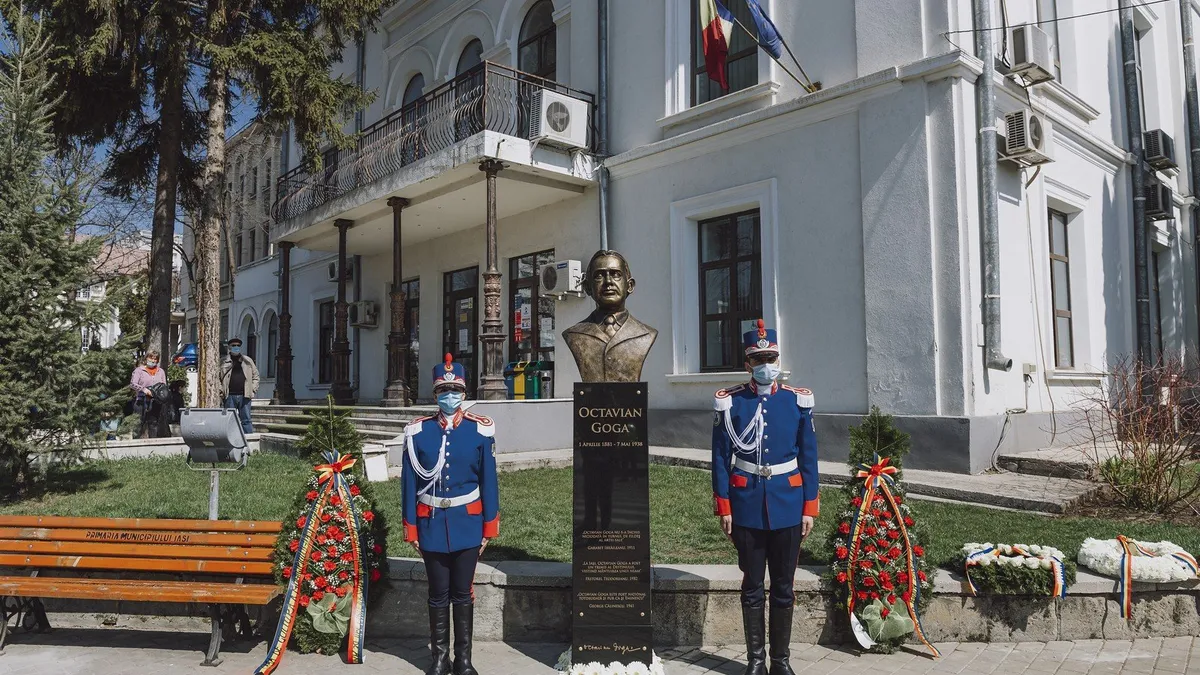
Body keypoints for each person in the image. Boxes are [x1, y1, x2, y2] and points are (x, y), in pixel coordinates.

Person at [711, 320, 818, 675]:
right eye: (758, 359)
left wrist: (810, 507)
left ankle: (781, 662)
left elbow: (808, 457)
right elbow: (720, 457)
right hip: (746, 506)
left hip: (788, 505)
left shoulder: (796, 401)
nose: (765, 365)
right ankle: (756, 661)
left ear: (778, 359)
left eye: (770, 357)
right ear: (747, 364)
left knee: (784, 587)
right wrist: (724, 504)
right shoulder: (731, 403)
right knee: (753, 586)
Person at [402, 354, 499, 675]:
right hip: (430, 523)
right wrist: (411, 529)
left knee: (463, 592)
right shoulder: (418, 433)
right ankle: (440, 659)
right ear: (435, 395)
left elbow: (489, 482)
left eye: (454, 390)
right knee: (438, 592)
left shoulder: (479, 431)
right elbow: (408, 485)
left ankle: (465, 660)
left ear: (464, 393)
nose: (449, 396)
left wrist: (489, 529)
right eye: (443, 391)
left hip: (468, 524)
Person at [562, 249, 658, 382]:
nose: (608, 282)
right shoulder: (573, 334)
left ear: (629, 285)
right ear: (588, 287)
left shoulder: (646, 334)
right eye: (599, 276)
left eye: (616, 274)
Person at [219, 337, 259, 435]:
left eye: (238, 346)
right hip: (229, 396)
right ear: (229, 347)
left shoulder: (247, 361)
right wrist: (221, 390)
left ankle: (248, 441)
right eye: (233, 346)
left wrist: (253, 389)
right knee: (229, 420)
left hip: (245, 396)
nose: (236, 347)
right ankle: (230, 439)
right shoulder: (223, 361)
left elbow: (256, 376)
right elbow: (217, 378)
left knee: (246, 419)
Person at [129, 351, 167, 439]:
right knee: (138, 424)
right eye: (151, 358)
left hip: (155, 402)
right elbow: (133, 384)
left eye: (155, 359)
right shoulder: (139, 370)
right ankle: (135, 446)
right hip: (141, 401)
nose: (153, 360)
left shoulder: (160, 371)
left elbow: (164, 385)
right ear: (146, 358)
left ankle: (153, 445)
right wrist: (143, 389)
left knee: (153, 423)